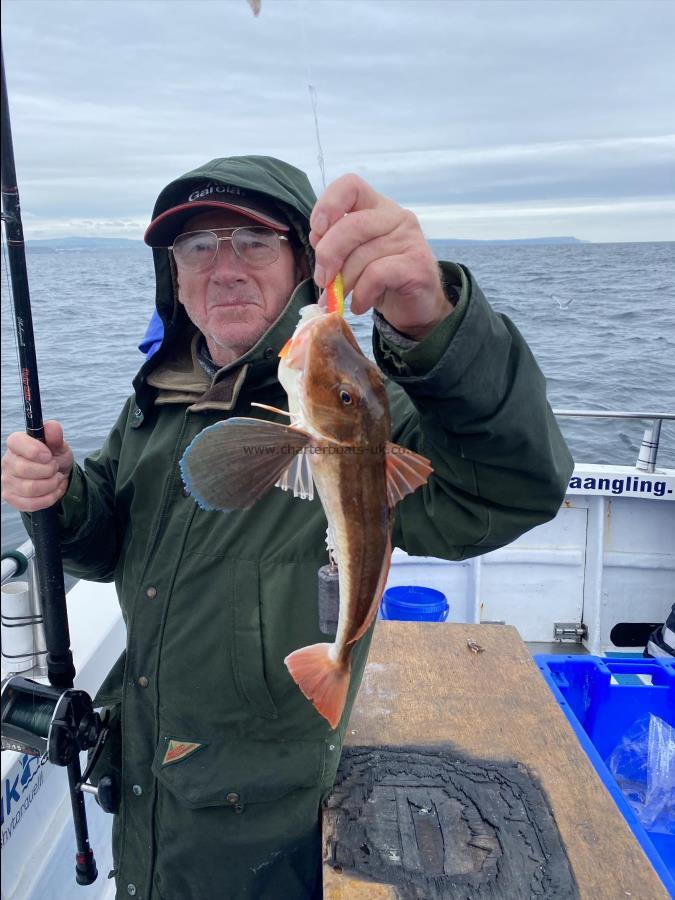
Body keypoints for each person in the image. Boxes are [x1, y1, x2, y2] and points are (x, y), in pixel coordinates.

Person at [1, 156, 574, 899]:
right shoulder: (160, 399)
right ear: (172, 276)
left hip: (263, 826)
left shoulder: (351, 410)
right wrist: (60, 496)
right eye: (197, 247)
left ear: (304, 265)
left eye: (252, 240)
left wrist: (435, 325)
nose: (224, 267)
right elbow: (108, 541)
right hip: (147, 789)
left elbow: (509, 486)